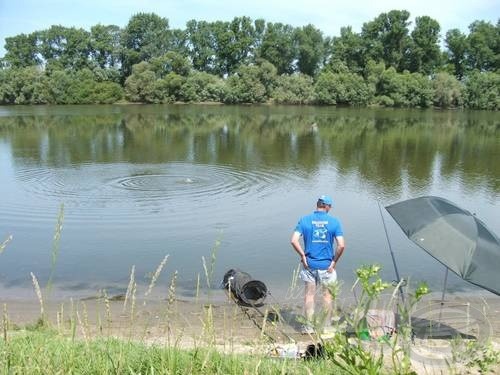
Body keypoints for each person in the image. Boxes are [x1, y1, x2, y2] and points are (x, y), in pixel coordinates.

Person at [290, 195, 345, 334]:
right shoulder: (334, 222)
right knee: (327, 296)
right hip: (327, 267)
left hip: (309, 265)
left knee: (309, 296)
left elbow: (293, 240)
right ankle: (326, 326)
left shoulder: (304, 220)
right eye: (330, 207)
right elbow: (341, 246)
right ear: (326, 206)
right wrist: (334, 262)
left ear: (317, 204)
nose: (330, 209)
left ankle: (309, 327)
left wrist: (303, 256)